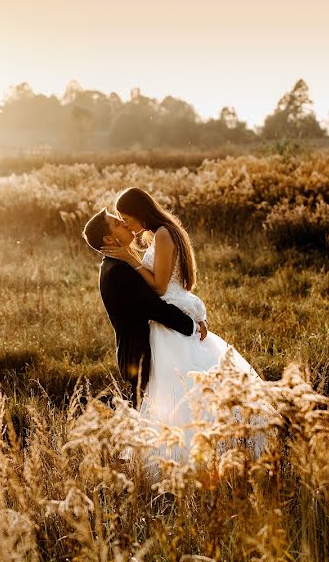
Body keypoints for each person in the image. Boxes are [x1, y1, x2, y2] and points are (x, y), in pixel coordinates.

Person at [101, 187, 264, 463]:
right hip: (167, 321)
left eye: (126, 217)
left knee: (182, 391)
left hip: (170, 320)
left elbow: (161, 288)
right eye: (120, 219)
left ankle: (195, 456)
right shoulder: (160, 234)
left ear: (141, 212)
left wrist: (130, 258)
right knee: (177, 393)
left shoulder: (164, 234)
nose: (126, 223)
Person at [82, 208, 200, 409]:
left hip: (148, 352)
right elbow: (155, 308)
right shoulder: (118, 271)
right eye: (118, 223)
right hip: (141, 357)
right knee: (150, 416)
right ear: (109, 240)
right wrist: (192, 326)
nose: (125, 224)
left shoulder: (117, 263)